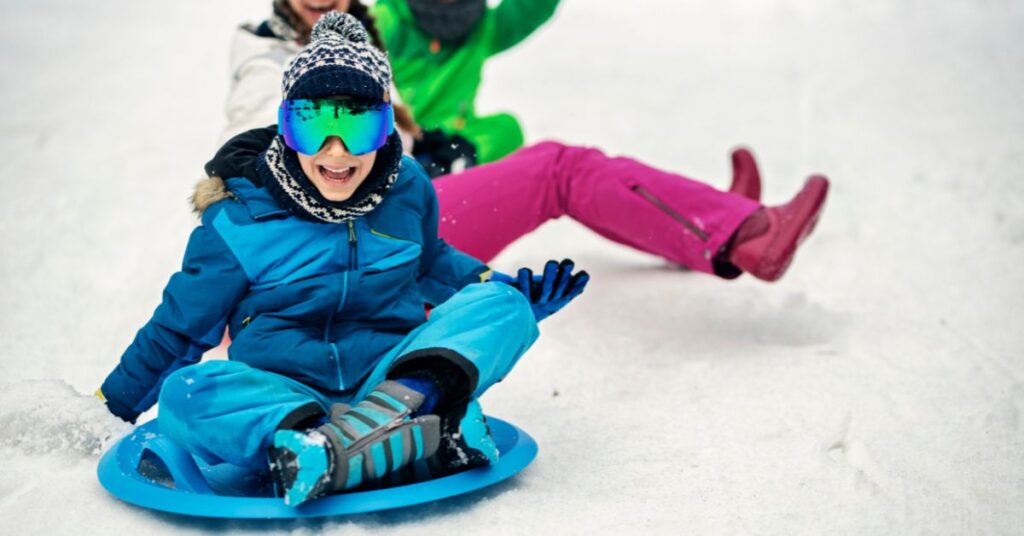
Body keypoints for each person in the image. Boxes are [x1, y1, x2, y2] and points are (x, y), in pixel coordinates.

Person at [96, 13, 588, 506]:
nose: (336, 153)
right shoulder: (239, 218)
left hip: (392, 377)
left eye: (359, 126)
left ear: (386, 126)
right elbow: (178, 328)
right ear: (287, 128)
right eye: (314, 128)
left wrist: (496, 285)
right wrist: (110, 407)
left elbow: (429, 262)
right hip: (284, 394)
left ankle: (340, 450)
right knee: (185, 392)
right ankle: (402, 439)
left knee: (502, 305)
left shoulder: (407, 186)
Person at [214, 0, 829, 282]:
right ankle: (733, 230)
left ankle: (703, 222)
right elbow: (259, 116)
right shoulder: (272, 53)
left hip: (382, 232)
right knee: (558, 170)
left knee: (535, 157)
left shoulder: (365, 32)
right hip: (355, 249)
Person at [371, 0, 561, 163]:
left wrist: (461, 151)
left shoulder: (484, 26)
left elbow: (531, 7)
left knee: (507, 130)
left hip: (457, 140)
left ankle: (453, 168)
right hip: (397, 140)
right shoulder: (389, 19)